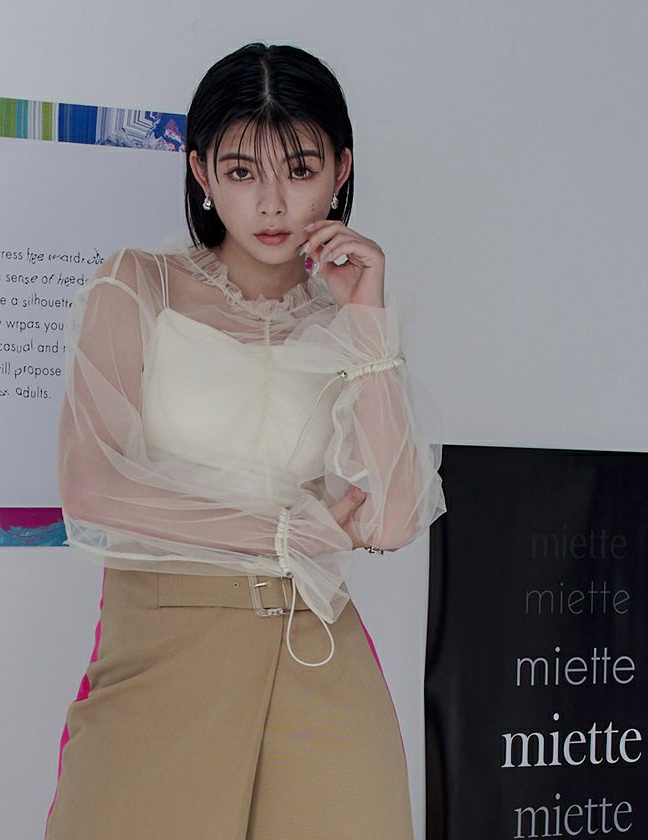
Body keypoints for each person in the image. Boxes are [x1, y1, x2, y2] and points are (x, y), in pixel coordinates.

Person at [44, 41, 446, 840]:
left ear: (340, 170)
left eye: (299, 170)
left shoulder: (349, 321)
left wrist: (367, 321)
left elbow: (396, 518)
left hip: (315, 651)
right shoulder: (137, 284)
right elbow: (92, 485)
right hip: (161, 642)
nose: (272, 203)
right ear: (201, 172)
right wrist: (284, 532)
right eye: (240, 171)